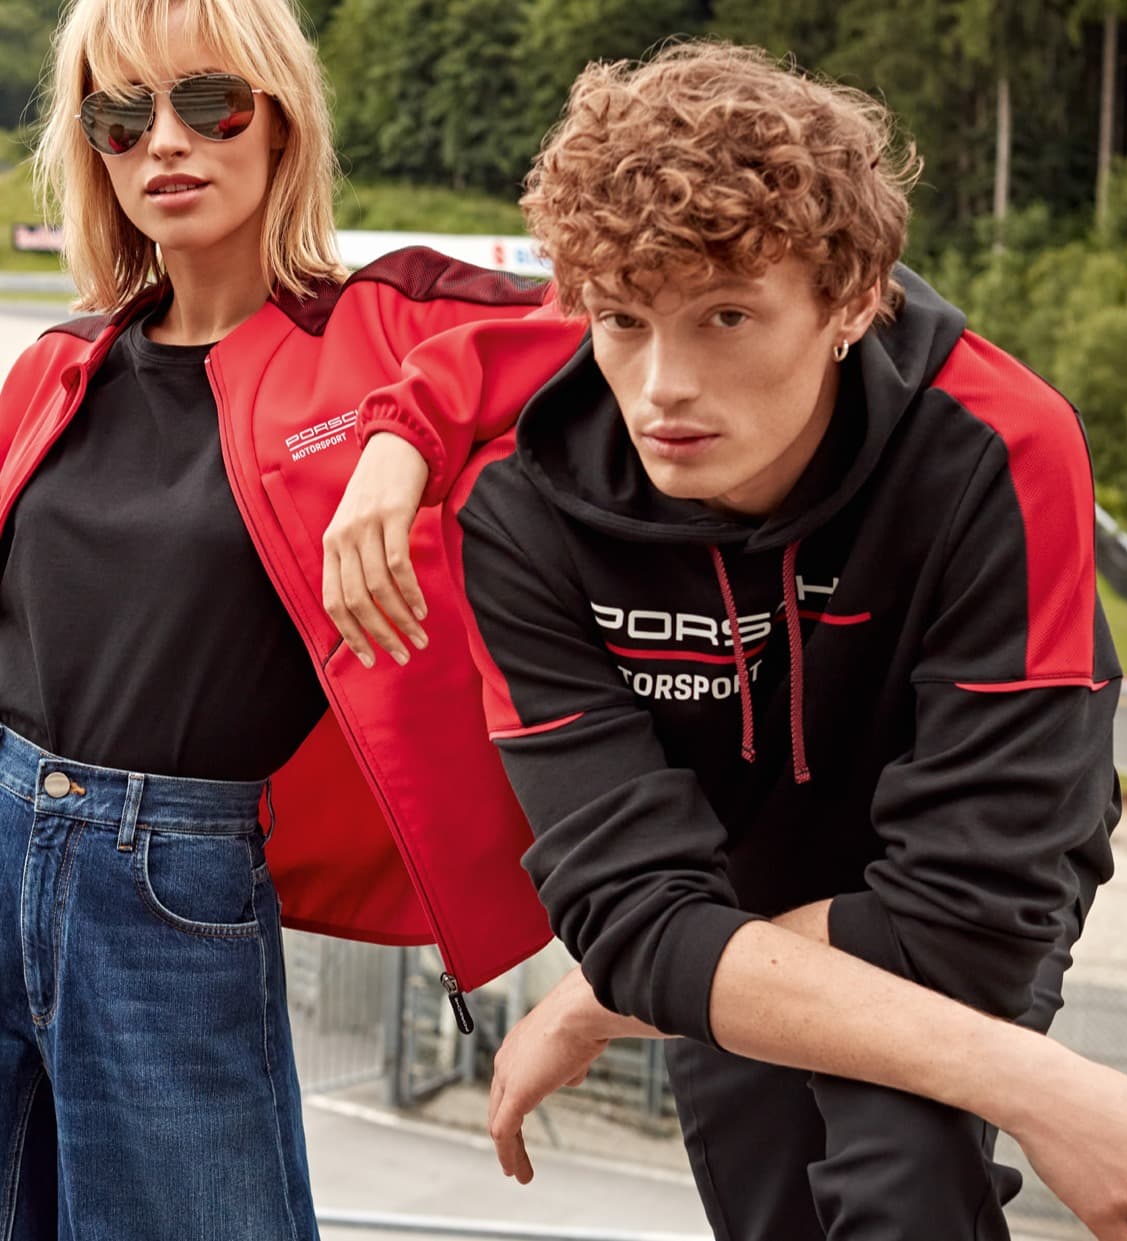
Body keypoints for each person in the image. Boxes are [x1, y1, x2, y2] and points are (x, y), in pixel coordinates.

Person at [323, 42, 1127, 1241]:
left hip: (953, 887)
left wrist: (644, 980)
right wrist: (1053, 1091)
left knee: (898, 1185)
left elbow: (967, 912)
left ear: (854, 297)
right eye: (623, 320)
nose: (662, 390)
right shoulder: (519, 508)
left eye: (728, 316)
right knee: (771, 1211)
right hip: (726, 903)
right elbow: (635, 914)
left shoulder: (999, 445)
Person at [0, 0, 557, 1234]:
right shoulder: (57, 368)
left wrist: (402, 438)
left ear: (279, 117)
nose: (166, 142)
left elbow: (608, 342)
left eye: (210, 102)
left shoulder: (382, 334)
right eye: (120, 114)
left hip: (173, 880)